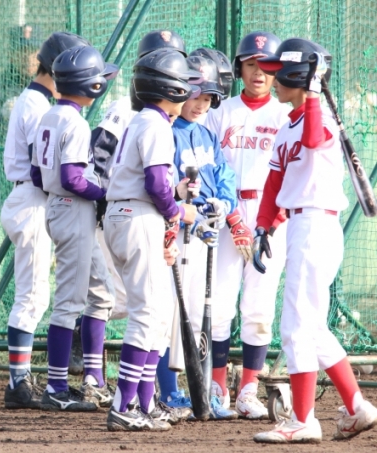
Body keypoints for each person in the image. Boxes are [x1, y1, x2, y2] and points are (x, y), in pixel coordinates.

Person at [252, 38, 377, 443]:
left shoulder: (319, 117)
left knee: (295, 326)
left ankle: (303, 420)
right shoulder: (287, 124)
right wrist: (263, 226)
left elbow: (311, 140)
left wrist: (312, 94)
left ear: (297, 76)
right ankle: (357, 406)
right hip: (300, 226)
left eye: (278, 73)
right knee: (313, 327)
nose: (272, 79)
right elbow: (275, 182)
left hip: (316, 226)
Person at [103, 48, 199, 431]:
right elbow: (156, 184)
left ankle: (144, 404)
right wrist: (177, 211)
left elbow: (157, 183)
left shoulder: (143, 120)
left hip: (128, 214)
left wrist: (172, 201)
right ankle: (124, 405)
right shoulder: (156, 124)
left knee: (157, 313)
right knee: (147, 313)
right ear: (171, 88)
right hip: (137, 215)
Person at [0, 31, 90, 411]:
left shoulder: (36, 100)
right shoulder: (38, 105)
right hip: (34, 199)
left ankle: (20, 380)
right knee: (33, 295)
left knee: (39, 294)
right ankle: (18, 383)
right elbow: (45, 168)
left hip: (34, 199)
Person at [204, 31, 290, 419]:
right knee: (220, 302)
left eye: (267, 67)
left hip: (269, 216)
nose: (258, 73)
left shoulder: (284, 115)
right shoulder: (220, 111)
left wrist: (273, 219)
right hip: (226, 212)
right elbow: (209, 167)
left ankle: (249, 390)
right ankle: (217, 388)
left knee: (259, 307)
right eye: (251, 64)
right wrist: (232, 216)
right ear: (239, 68)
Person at [30, 45, 118, 412]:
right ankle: (55, 387)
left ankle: (94, 380)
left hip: (59, 207)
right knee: (68, 304)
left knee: (103, 294)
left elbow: (37, 174)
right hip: (72, 208)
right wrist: (106, 194)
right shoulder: (76, 123)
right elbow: (72, 179)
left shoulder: (49, 116)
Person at [158, 52, 239, 421]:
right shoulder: (167, 132)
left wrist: (224, 202)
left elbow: (224, 175)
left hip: (206, 231)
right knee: (171, 313)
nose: (201, 104)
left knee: (199, 312)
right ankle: (168, 391)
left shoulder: (206, 134)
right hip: (178, 231)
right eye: (195, 96)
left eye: (208, 98)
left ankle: (201, 393)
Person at [0, 24, 42, 149]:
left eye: (33, 52)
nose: (28, 59)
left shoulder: (49, 87)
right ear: (11, 55)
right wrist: (4, 120)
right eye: (22, 51)